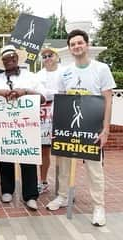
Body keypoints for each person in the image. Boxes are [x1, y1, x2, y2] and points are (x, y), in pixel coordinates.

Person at [46, 29, 116, 227]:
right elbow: (61, 100)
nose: (77, 46)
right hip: (69, 128)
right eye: (73, 44)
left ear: (87, 44)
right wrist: (57, 128)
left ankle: (98, 206)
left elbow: (108, 100)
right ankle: (62, 196)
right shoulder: (66, 71)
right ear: (69, 48)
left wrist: (106, 130)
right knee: (65, 166)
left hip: (92, 127)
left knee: (95, 170)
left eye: (80, 43)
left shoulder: (101, 69)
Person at [0, 45, 46, 210]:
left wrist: (25, 91)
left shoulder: (30, 77)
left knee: (28, 160)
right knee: (6, 157)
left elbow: (43, 98)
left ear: (17, 59)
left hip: (26, 127)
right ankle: (7, 190)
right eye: (5, 59)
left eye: (12, 57)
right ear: (2, 62)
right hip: (4, 127)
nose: (9, 60)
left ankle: (30, 195)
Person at [35, 47, 63, 194]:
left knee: (62, 152)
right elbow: (41, 94)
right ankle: (43, 181)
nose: (47, 58)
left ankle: (62, 186)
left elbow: (66, 92)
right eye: (44, 56)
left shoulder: (65, 72)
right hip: (44, 117)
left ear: (56, 56)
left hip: (62, 115)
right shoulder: (38, 75)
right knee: (44, 151)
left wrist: (51, 94)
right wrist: (55, 93)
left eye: (50, 55)